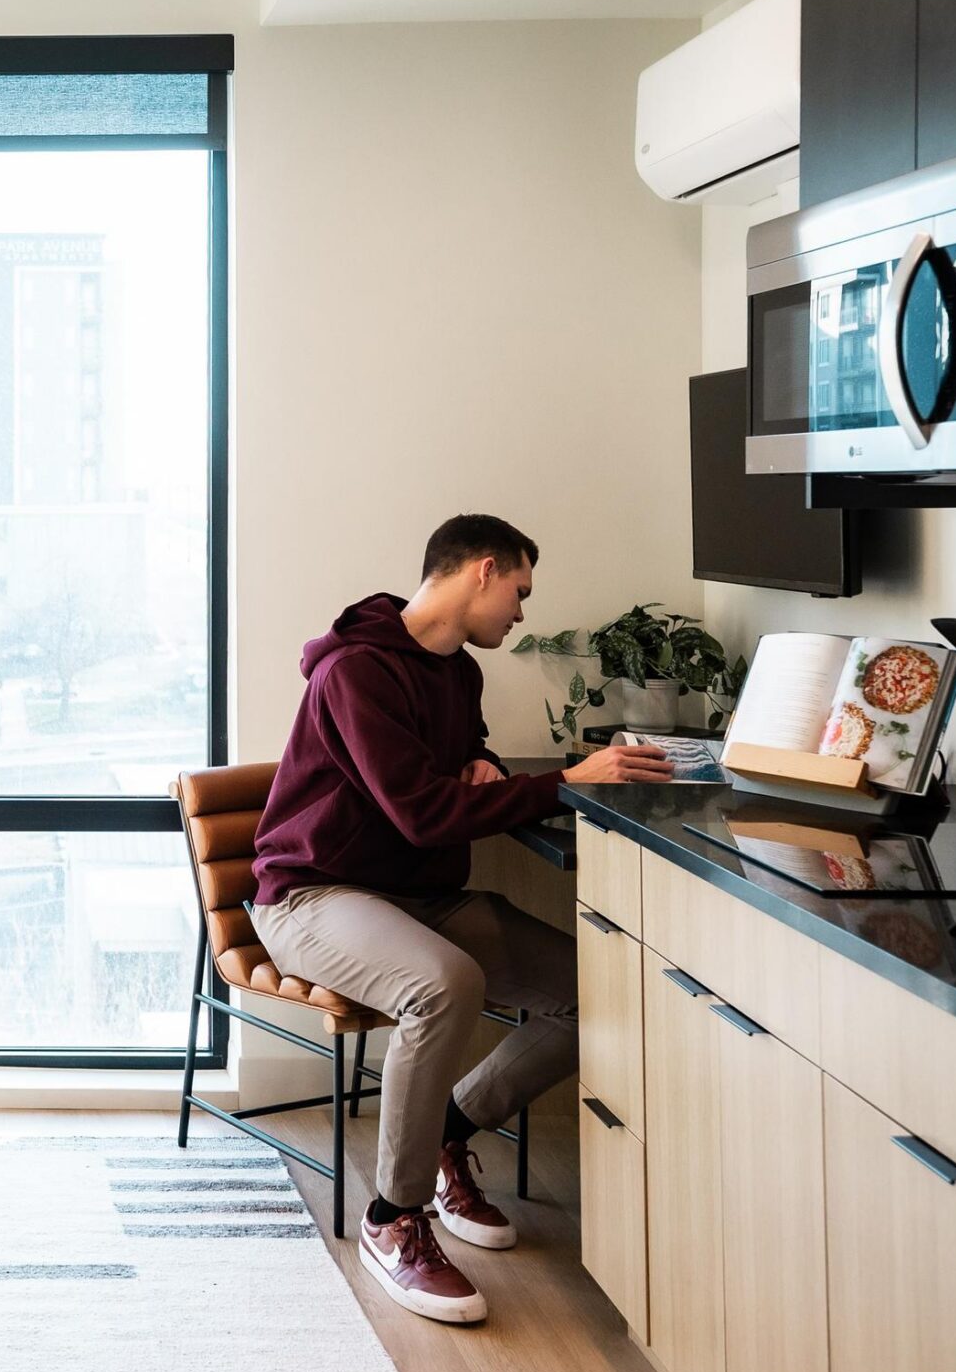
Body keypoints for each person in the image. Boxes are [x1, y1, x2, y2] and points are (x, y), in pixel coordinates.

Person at [248, 515, 670, 1326]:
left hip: (414, 897)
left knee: (596, 995)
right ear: (482, 571)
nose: (520, 613)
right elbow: (419, 812)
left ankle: (442, 1132)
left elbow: (460, 771)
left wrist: (486, 768)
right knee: (447, 983)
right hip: (312, 896)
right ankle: (392, 1219)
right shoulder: (355, 673)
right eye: (519, 591)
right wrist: (564, 779)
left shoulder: (460, 676)